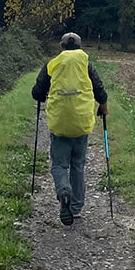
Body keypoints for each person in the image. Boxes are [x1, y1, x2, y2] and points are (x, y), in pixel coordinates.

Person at [31, 31, 108, 226]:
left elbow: (38, 92)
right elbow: (98, 86)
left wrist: (42, 96)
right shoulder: (86, 62)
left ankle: (63, 189)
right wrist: (103, 104)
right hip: (81, 120)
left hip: (60, 122)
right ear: (80, 47)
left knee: (59, 164)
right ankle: (75, 208)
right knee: (78, 165)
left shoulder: (53, 63)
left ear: (62, 47)